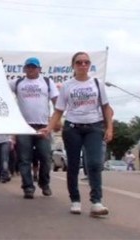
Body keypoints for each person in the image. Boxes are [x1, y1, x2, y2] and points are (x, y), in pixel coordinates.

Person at [40, 51, 113, 217]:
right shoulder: (67, 86)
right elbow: (58, 111)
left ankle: (96, 202)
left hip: (94, 127)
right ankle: (75, 200)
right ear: (73, 65)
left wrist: (109, 128)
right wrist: (49, 128)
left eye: (86, 62)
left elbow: (106, 108)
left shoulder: (97, 83)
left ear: (89, 65)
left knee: (94, 163)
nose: (83, 65)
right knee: (72, 165)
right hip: (72, 128)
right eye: (79, 62)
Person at [9, 57, 59, 199]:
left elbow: (57, 101)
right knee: (24, 159)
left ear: (39, 69)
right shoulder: (17, 83)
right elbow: (0, 88)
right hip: (23, 127)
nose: (31, 69)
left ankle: (44, 183)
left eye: (34, 67)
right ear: (24, 69)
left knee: (45, 157)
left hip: (43, 126)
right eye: (28, 67)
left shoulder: (47, 82)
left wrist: (57, 121)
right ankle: (28, 187)